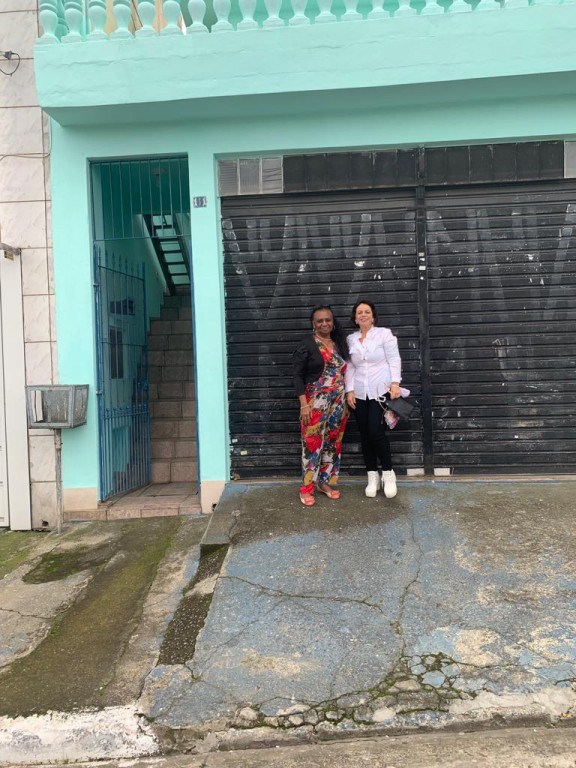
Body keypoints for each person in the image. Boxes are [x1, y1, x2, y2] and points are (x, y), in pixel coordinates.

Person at [345, 300, 402, 499]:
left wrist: (395, 383)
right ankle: (372, 476)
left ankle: (388, 473)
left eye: (367, 312)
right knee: (364, 434)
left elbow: (394, 359)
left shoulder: (384, 334)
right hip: (360, 393)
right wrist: (349, 390)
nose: (363, 315)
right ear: (355, 318)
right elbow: (350, 366)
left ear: (373, 316)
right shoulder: (351, 339)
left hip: (380, 391)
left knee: (375, 431)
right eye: (359, 312)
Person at [293, 306, 349, 507]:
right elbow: (297, 376)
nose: (324, 323)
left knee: (333, 443)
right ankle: (306, 488)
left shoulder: (340, 343)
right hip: (315, 402)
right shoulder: (307, 344)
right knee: (312, 443)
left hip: (339, 402)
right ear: (313, 324)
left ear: (333, 322)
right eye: (320, 321)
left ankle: (324, 483)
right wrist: (304, 405)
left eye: (328, 320)